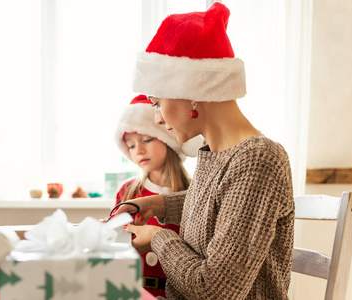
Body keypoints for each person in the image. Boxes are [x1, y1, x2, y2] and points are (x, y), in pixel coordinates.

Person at [113, 3, 295, 300]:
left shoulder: (259, 160)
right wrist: (158, 205)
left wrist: (158, 237)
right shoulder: (218, 154)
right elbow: (221, 205)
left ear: (192, 92)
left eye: (157, 102)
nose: (158, 118)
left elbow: (215, 290)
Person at [113, 94, 202, 298]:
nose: (139, 150)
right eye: (131, 145)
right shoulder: (128, 192)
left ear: (168, 139)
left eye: (146, 139)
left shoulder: (194, 191)